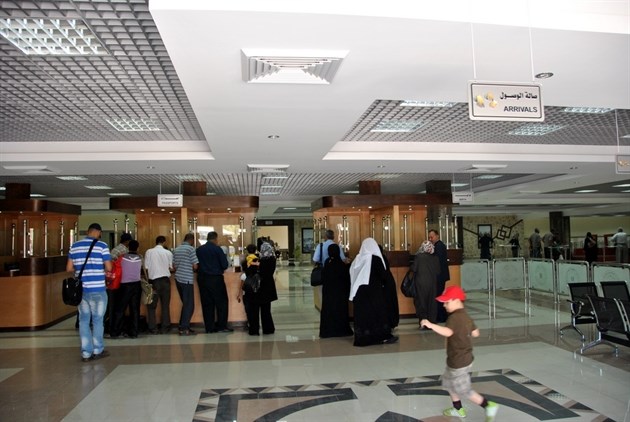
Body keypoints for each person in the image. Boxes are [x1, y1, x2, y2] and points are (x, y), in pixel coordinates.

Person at [420, 286, 499, 421]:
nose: (444, 305)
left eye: (447, 302)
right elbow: (476, 333)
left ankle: (488, 406)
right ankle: (458, 409)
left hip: (459, 361)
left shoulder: (454, 318)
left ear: (456, 300)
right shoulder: (466, 316)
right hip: (462, 358)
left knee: (464, 390)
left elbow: (448, 332)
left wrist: (431, 325)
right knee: (449, 383)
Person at [66, 223, 112, 362]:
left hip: (82, 290)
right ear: (98, 232)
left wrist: (81, 270)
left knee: (84, 321)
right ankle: (98, 350)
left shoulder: (75, 246)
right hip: (98, 289)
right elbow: (109, 267)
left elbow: (69, 268)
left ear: (88, 231)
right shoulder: (102, 245)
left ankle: (86, 353)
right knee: (98, 320)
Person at [349, 237, 398, 346]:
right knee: (377, 314)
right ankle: (380, 337)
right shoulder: (375, 259)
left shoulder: (357, 259)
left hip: (359, 293)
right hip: (374, 292)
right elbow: (383, 275)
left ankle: (362, 339)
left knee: (363, 316)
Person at [196, 231, 231, 333]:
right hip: (215, 279)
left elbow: (196, 264)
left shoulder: (199, 250)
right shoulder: (217, 249)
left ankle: (209, 328)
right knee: (221, 303)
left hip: (202, 279)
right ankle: (221, 326)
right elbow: (224, 264)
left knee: (207, 303)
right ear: (215, 239)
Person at [242, 238, 279, 335]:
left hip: (257, 288)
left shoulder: (258, 260)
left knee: (254, 310)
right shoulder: (272, 260)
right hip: (268, 288)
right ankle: (268, 329)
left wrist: (251, 265)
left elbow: (249, 272)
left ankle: (254, 330)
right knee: (266, 310)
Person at [110, 240, 143, 339]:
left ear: (128, 248)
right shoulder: (140, 258)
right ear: (137, 248)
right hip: (137, 285)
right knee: (135, 309)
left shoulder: (122, 257)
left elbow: (114, 267)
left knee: (120, 309)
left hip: (124, 285)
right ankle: (134, 332)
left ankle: (115, 332)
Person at [319, 243, 353, 338]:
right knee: (340, 311)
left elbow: (323, 278)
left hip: (328, 293)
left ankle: (328, 331)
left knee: (328, 311)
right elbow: (347, 279)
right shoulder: (342, 265)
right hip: (340, 294)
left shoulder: (327, 263)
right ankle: (341, 330)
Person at [103, 232, 132, 333]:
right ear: (127, 241)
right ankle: (114, 326)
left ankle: (111, 326)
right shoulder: (123, 250)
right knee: (116, 306)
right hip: (118, 281)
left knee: (112, 306)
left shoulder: (116, 249)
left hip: (114, 281)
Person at [144, 235, 173, 334]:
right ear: (164, 242)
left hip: (153, 282)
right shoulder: (168, 253)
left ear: (156, 242)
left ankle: (153, 328)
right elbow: (171, 267)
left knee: (152, 306)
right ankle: (165, 327)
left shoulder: (149, 252)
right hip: (165, 281)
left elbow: (146, 267)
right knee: (165, 305)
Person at [173, 233, 199, 336]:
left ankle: (183, 326)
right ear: (191, 240)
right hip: (187, 279)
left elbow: (174, 266)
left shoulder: (177, 249)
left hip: (178, 279)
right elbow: (195, 266)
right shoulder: (190, 249)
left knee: (186, 304)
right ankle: (184, 328)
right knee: (189, 305)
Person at [411, 240, 440, 327]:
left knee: (421, 302)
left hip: (420, 283)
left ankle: (423, 321)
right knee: (432, 302)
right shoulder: (435, 258)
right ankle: (432, 321)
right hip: (432, 284)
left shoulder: (419, 257)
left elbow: (414, 269)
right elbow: (438, 271)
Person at [429, 229, 450, 323]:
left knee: (438, 295)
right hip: (440, 275)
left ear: (437, 236)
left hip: (440, 276)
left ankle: (441, 316)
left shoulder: (439, 246)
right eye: (429, 237)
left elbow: (437, 261)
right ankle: (441, 315)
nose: (430, 239)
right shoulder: (438, 245)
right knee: (439, 295)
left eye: (432, 237)